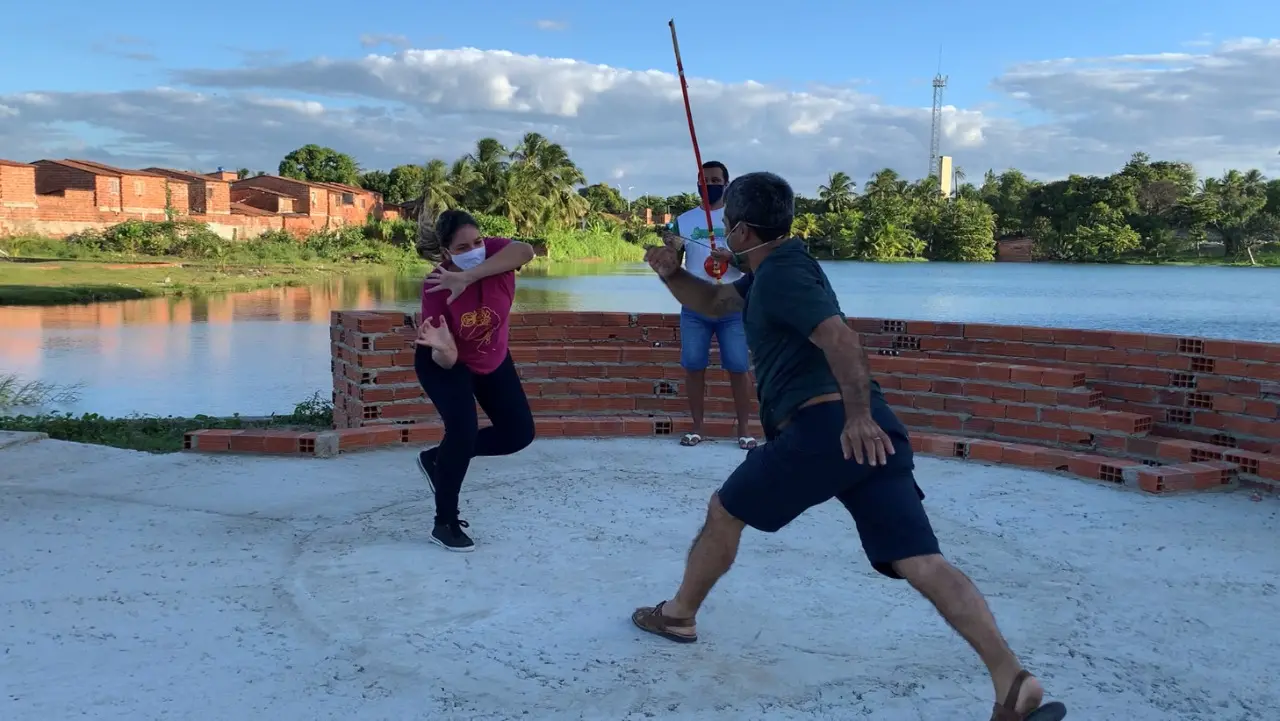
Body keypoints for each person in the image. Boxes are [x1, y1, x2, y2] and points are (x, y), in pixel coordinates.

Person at [629, 172, 1068, 721]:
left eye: (729, 227)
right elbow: (717, 302)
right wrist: (671, 273)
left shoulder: (784, 276)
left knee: (724, 511)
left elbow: (840, 337)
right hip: (871, 434)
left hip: (826, 431)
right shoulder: (776, 270)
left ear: (740, 232)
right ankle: (1013, 681)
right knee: (923, 560)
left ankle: (678, 614)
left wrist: (855, 417)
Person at [412, 209, 537, 552]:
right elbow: (446, 357)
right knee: (463, 429)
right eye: (463, 246)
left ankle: (438, 458)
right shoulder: (436, 287)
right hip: (445, 361)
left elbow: (526, 251)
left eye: (478, 241)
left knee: (519, 434)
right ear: (447, 251)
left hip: (492, 357)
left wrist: (470, 277)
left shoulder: (496, 253)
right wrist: (443, 348)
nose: (475, 248)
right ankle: (445, 522)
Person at [661, 160, 757, 450]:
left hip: (733, 305)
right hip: (695, 305)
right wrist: (669, 248)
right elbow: (673, 265)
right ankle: (697, 428)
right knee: (693, 365)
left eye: (715, 179)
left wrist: (731, 257)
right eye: (703, 179)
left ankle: (744, 430)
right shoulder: (684, 220)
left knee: (739, 366)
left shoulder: (740, 221)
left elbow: (753, 261)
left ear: (726, 184)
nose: (709, 184)